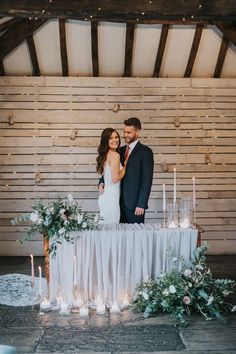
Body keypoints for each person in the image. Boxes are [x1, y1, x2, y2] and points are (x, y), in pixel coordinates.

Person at [99, 118, 154, 224]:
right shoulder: (119, 150)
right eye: (124, 132)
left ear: (137, 132)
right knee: (119, 236)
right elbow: (109, 171)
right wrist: (101, 183)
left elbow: (146, 180)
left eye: (128, 132)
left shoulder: (145, 152)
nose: (125, 135)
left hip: (134, 206)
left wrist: (141, 204)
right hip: (116, 202)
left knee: (135, 237)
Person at [96, 128, 127, 224]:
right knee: (112, 227)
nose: (115, 140)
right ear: (106, 141)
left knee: (106, 227)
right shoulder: (115, 155)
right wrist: (126, 166)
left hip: (105, 195)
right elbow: (115, 179)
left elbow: (106, 177)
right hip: (111, 197)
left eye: (116, 137)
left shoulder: (106, 154)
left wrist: (101, 184)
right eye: (110, 138)